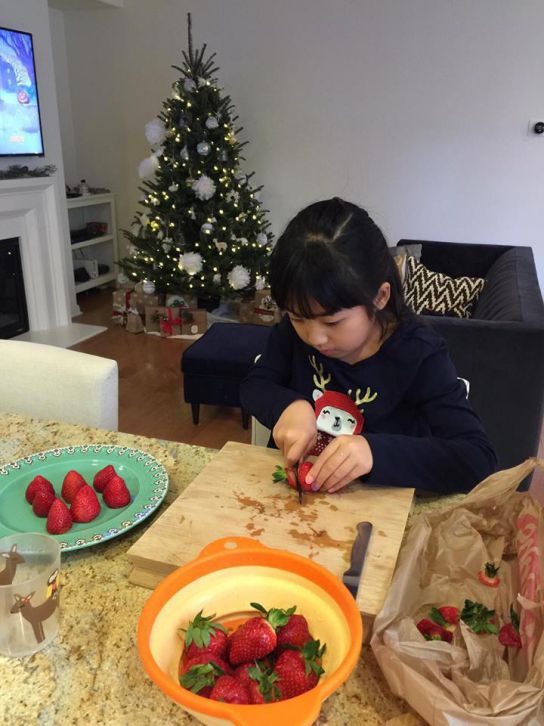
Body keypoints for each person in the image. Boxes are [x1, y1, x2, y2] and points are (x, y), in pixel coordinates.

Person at [239, 198, 497, 494]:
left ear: (380, 297)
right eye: (298, 318)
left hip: (377, 514)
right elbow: (254, 386)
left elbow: (478, 459)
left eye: (333, 323)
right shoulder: (292, 334)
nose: (314, 338)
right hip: (294, 502)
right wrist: (287, 405)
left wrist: (374, 452)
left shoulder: (419, 353)